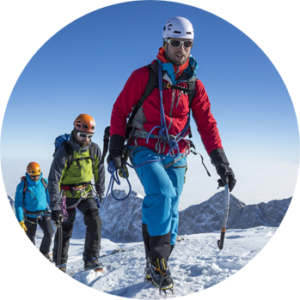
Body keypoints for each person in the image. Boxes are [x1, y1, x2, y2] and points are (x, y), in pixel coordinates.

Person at [108, 16, 237, 292]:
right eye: (176, 43)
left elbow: (207, 123)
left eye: (187, 44)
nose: (182, 48)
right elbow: (120, 110)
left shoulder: (194, 85)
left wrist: (221, 163)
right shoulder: (143, 76)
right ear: (165, 43)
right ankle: (156, 264)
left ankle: (157, 261)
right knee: (163, 195)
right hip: (144, 148)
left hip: (177, 152)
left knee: (172, 209)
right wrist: (116, 149)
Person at [48, 114, 105, 273]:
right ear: (75, 131)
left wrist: (100, 192)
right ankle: (60, 263)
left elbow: (99, 172)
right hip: (67, 195)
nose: (86, 139)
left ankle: (91, 259)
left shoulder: (94, 149)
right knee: (65, 227)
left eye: (89, 136)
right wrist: (55, 207)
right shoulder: (64, 150)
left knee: (95, 222)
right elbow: (54, 179)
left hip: (86, 193)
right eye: (82, 135)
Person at [15, 162, 53, 261]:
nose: (36, 178)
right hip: (29, 215)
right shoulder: (22, 186)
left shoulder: (44, 182)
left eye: (37, 175)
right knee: (29, 239)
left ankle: (44, 256)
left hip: (44, 213)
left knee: (49, 232)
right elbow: (18, 204)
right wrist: (20, 221)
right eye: (33, 176)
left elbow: (50, 198)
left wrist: (56, 210)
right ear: (28, 174)